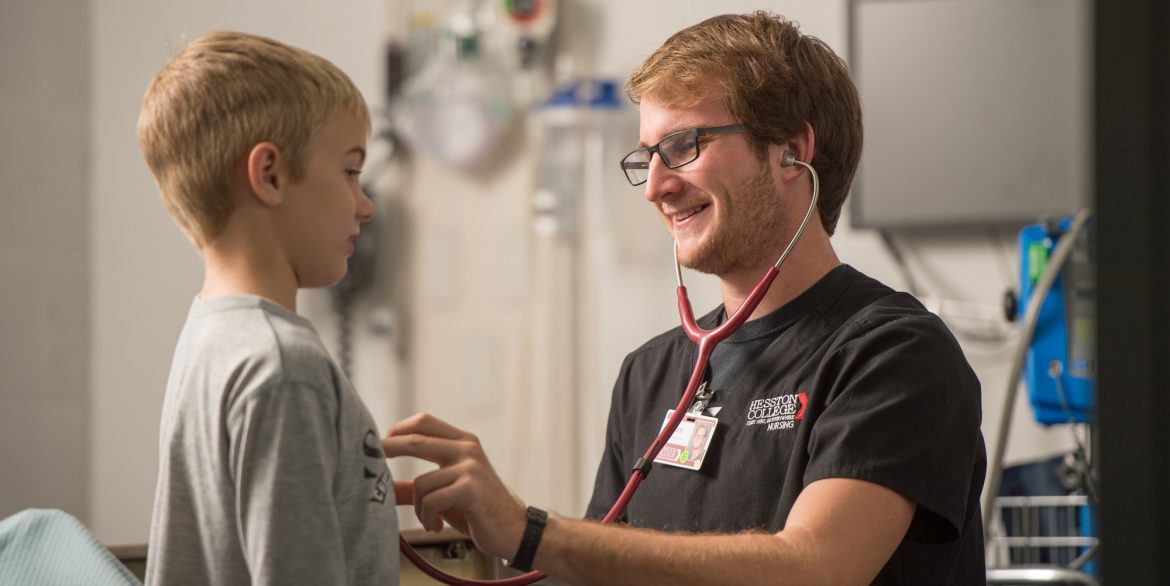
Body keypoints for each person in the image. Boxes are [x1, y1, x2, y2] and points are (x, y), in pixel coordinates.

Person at [383, 11, 985, 585]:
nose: (656, 187)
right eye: (647, 158)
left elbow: (814, 568)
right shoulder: (651, 373)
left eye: (684, 145)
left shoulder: (893, 354)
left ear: (792, 152)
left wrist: (527, 529)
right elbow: (605, 572)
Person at [138, 31, 398, 585]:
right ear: (270, 174)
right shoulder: (283, 367)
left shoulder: (209, 336)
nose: (366, 205)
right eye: (351, 172)